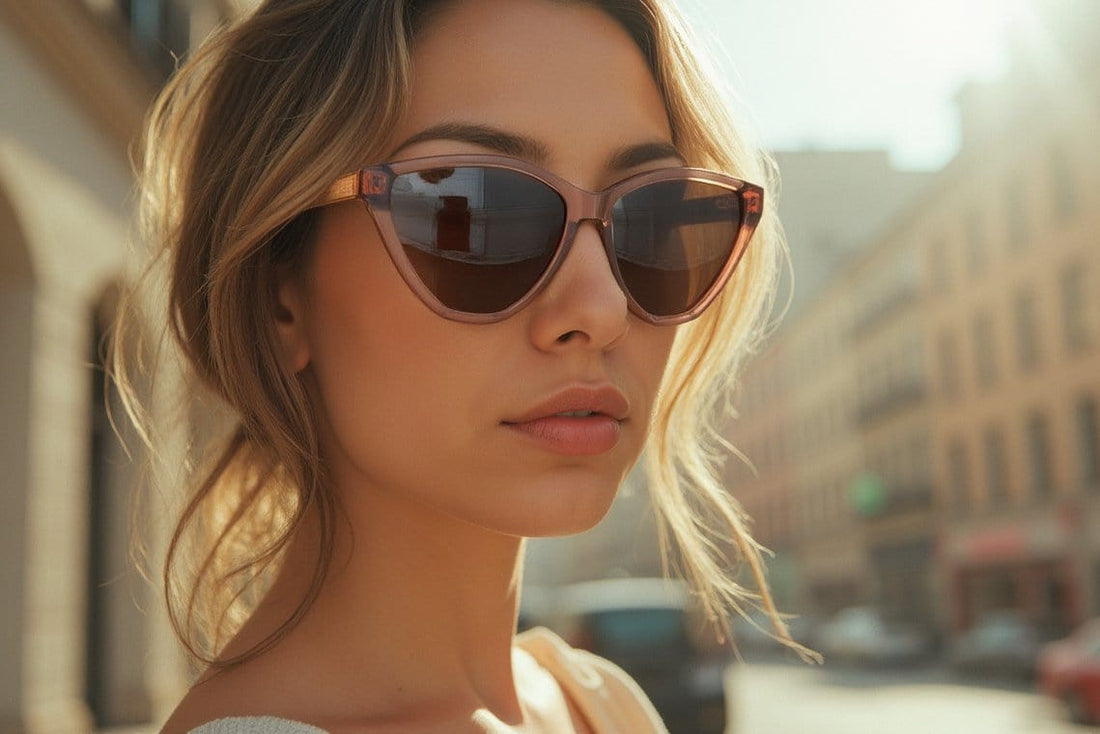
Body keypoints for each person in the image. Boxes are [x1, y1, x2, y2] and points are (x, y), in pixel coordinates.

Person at [116, 0, 810, 731]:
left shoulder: (594, 702)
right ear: (279, 296)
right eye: (473, 216)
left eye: (656, 220)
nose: (603, 308)